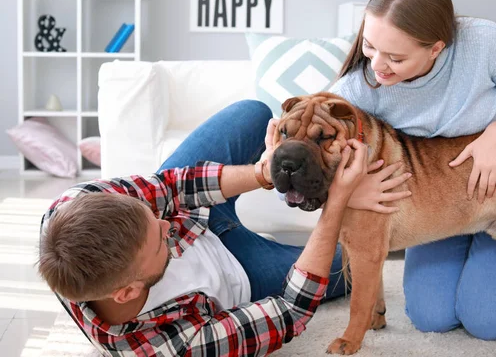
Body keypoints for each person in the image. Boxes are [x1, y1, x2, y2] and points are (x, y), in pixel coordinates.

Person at [37, 100, 411, 356]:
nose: (168, 225)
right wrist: (339, 202)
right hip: (242, 272)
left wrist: (263, 172)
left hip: (201, 213)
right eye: (159, 241)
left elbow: (171, 189)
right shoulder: (171, 347)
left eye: (152, 216)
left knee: (252, 113)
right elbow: (290, 310)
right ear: (128, 292)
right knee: (351, 269)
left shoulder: (76, 204)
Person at [330, 0, 496, 341]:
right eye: (369, 46)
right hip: (437, 208)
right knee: (430, 317)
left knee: (487, 320)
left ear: (436, 48)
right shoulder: (358, 89)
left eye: (395, 57)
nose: (378, 65)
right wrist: (349, 192)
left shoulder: (484, 42)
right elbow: (307, 149)